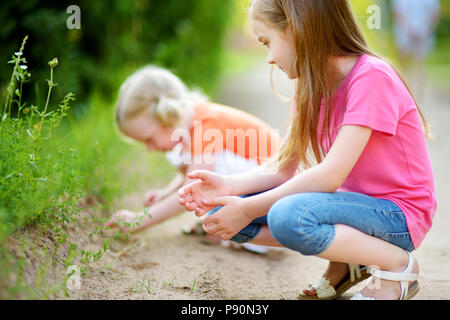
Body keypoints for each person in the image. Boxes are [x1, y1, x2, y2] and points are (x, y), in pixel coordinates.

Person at [179, 0, 436, 300]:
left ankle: (397, 268)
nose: (269, 59)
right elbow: (281, 169)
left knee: (289, 217)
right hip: (355, 207)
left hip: (399, 214)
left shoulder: (372, 77)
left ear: (298, 29)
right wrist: (229, 187)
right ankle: (346, 264)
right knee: (222, 208)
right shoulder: (309, 85)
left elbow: (330, 175)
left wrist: (248, 208)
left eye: (267, 42)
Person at [105, 65, 280, 254]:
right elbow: (188, 177)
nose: (149, 149)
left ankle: (251, 231)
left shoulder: (206, 125)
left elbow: (191, 190)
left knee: (202, 180)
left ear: (169, 115)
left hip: (273, 197)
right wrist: (166, 193)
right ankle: (231, 222)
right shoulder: (195, 121)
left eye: (149, 139)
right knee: (192, 165)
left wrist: (139, 219)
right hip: (264, 190)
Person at [391, 0, 441, 101]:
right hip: (411, 34)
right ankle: (409, 92)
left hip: (417, 34)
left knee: (417, 63)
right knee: (410, 64)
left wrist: (419, 30)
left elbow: (434, 15)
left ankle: (415, 93)